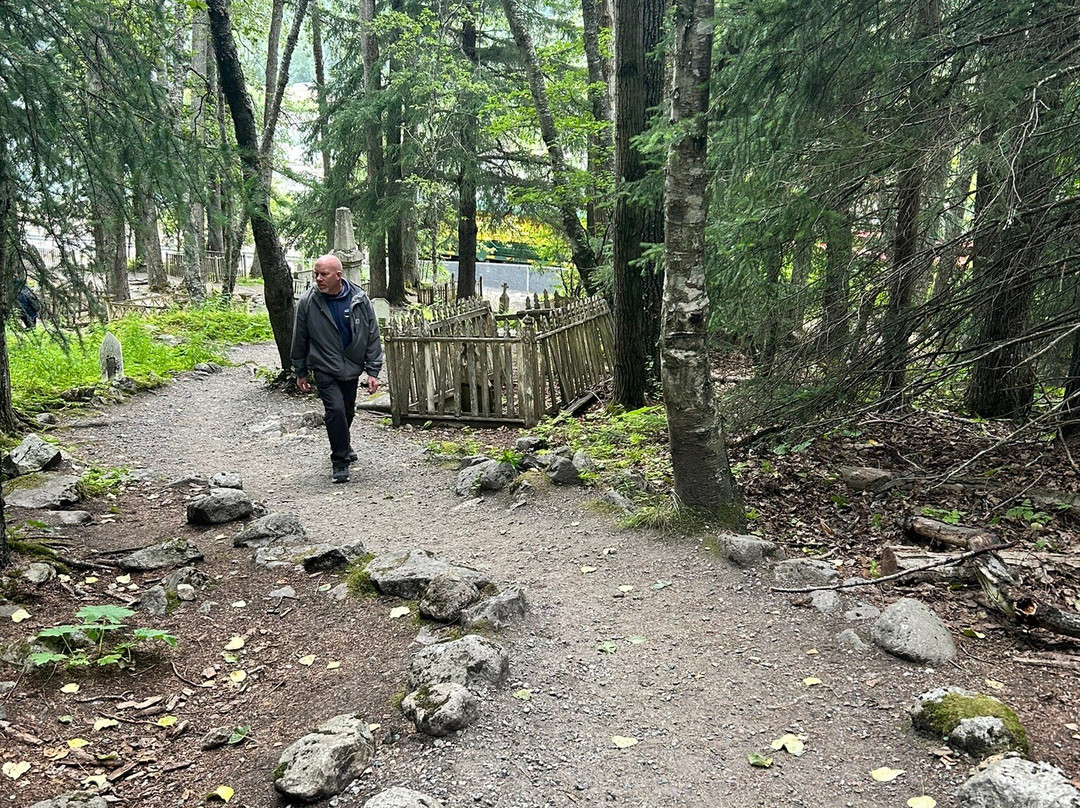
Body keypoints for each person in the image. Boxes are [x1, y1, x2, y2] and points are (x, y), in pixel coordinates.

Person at [291, 254, 383, 483]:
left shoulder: (359, 299)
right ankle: (339, 461)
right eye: (316, 274)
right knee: (336, 411)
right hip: (324, 366)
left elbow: (372, 335)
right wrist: (300, 370)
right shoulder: (308, 302)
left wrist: (373, 371)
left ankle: (344, 442)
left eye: (324, 274)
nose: (319, 279)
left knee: (348, 411)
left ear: (338, 276)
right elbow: (299, 338)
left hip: (351, 366)